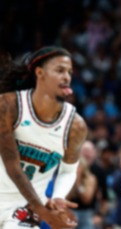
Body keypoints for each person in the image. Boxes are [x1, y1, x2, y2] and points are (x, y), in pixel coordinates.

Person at [0, 46, 88, 229]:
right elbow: (12, 165)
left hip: (25, 207)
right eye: (60, 70)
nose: (67, 77)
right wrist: (42, 211)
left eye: (70, 72)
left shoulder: (76, 126)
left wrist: (58, 196)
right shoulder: (8, 105)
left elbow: (68, 170)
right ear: (39, 72)